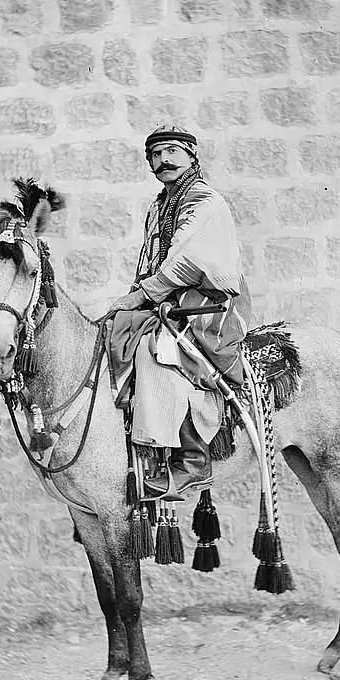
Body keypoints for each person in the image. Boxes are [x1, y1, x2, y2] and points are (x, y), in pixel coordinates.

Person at [106, 124, 250, 498]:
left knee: (155, 348)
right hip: (172, 298)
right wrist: (135, 294)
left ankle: (192, 460)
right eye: (155, 154)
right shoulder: (159, 205)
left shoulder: (203, 200)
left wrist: (143, 296)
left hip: (209, 302)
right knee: (116, 331)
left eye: (171, 151)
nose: (163, 160)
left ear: (191, 156)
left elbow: (186, 260)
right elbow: (150, 261)